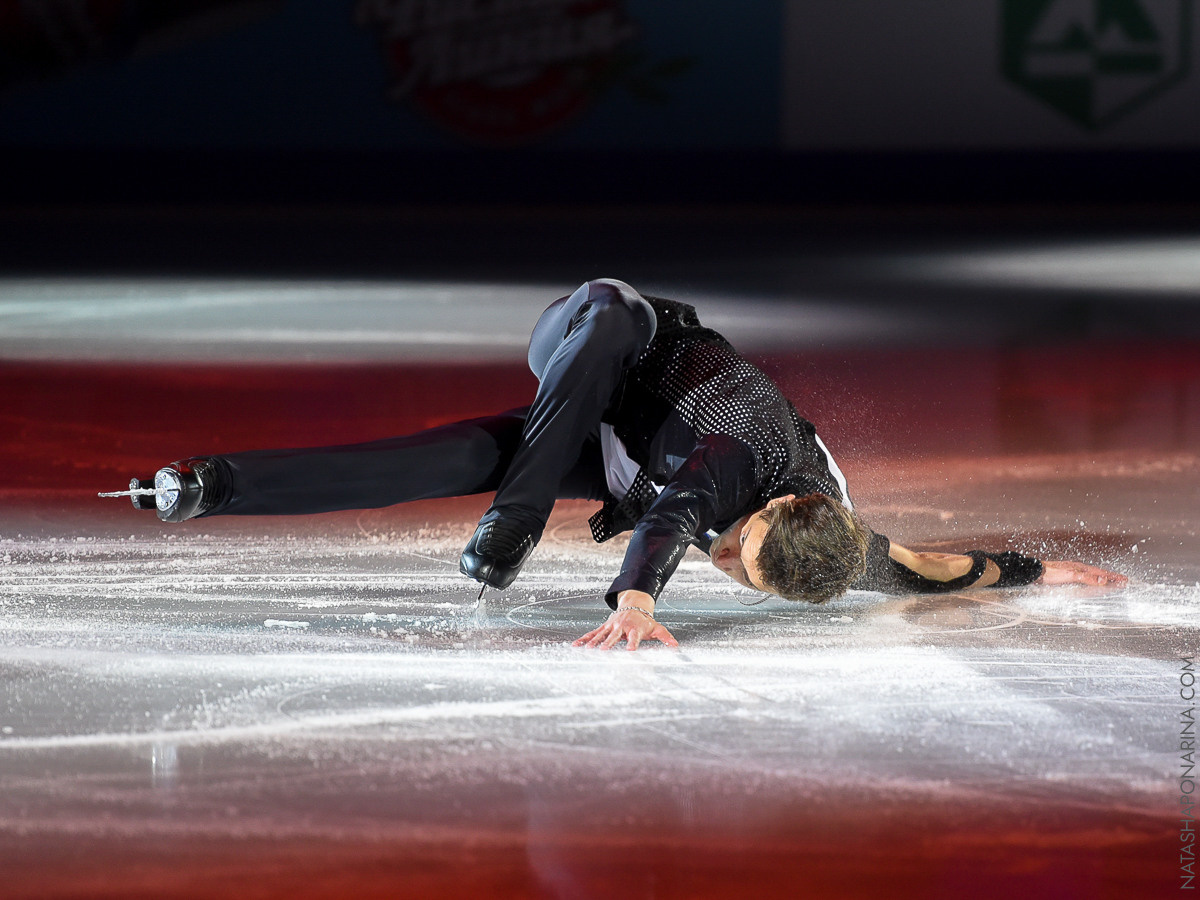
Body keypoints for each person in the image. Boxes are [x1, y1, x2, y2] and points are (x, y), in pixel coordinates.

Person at [104, 279, 1125, 650]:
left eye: (739, 578)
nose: (725, 564)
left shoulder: (839, 545)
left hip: (599, 450)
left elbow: (936, 570)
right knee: (600, 325)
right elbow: (675, 520)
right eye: (740, 551)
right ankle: (513, 515)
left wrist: (1042, 572)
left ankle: (211, 486)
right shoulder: (734, 463)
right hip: (598, 341)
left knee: (434, 461)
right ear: (779, 506)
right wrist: (637, 598)